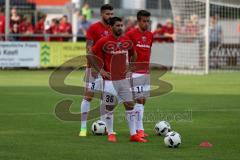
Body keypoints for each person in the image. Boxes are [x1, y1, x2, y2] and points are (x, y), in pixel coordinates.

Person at [90, 16, 147, 143]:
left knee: (130, 105)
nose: (120, 28)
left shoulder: (126, 39)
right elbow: (91, 55)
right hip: (109, 81)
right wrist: (101, 71)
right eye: (117, 25)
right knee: (109, 107)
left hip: (123, 80)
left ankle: (133, 135)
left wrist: (131, 67)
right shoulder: (103, 41)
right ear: (110, 27)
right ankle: (110, 133)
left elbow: (134, 53)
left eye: (121, 25)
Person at [79, 4, 114, 137]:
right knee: (88, 96)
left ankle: (104, 126)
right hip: (93, 69)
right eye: (107, 14)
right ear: (101, 14)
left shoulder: (113, 29)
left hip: (108, 70)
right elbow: (88, 50)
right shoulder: (93, 28)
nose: (110, 16)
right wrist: (95, 67)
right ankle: (83, 128)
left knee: (107, 99)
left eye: (111, 14)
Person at [126, 10, 153, 138]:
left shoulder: (150, 35)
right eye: (144, 21)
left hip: (146, 72)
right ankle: (139, 130)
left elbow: (149, 51)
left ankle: (138, 129)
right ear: (138, 21)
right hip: (135, 72)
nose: (146, 23)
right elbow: (125, 50)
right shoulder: (131, 34)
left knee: (143, 101)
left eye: (148, 21)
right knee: (139, 99)